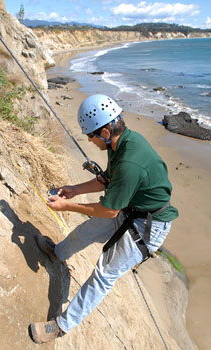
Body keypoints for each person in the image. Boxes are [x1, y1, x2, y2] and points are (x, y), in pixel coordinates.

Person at [29, 94, 178, 344]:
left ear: (106, 132)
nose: (89, 140)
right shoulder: (121, 144)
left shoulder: (130, 159)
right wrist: (75, 189)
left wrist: (68, 206)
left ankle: (61, 326)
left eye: (91, 135)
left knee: (104, 273)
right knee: (88, 230)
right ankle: (58, 253)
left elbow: (108, 211)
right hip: (131, 209)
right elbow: (107, 179)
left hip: (148, 226)